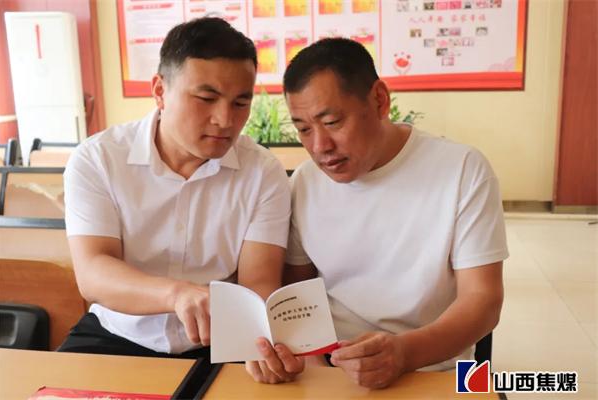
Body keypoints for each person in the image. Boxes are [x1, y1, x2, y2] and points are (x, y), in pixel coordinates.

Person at [250, 37, 508, 388]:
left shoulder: (462, 170)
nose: (320, 146)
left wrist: (403, 354)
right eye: (304, 129)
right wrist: (314, 364)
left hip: (431, 368)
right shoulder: (305, 183)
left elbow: (483, 301)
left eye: (333, 122)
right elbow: (298, 287)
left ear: (379, 100)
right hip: (331, 368)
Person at [58, 17, 291, 362]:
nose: (225, 120)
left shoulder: (263, 172)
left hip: (219, 339)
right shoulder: (98, 159)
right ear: (159, 91)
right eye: (206, 98)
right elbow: (93, 271)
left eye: (240, 103)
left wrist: (258, 349)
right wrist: (176, 294)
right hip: (116, 333)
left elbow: (259, 283)